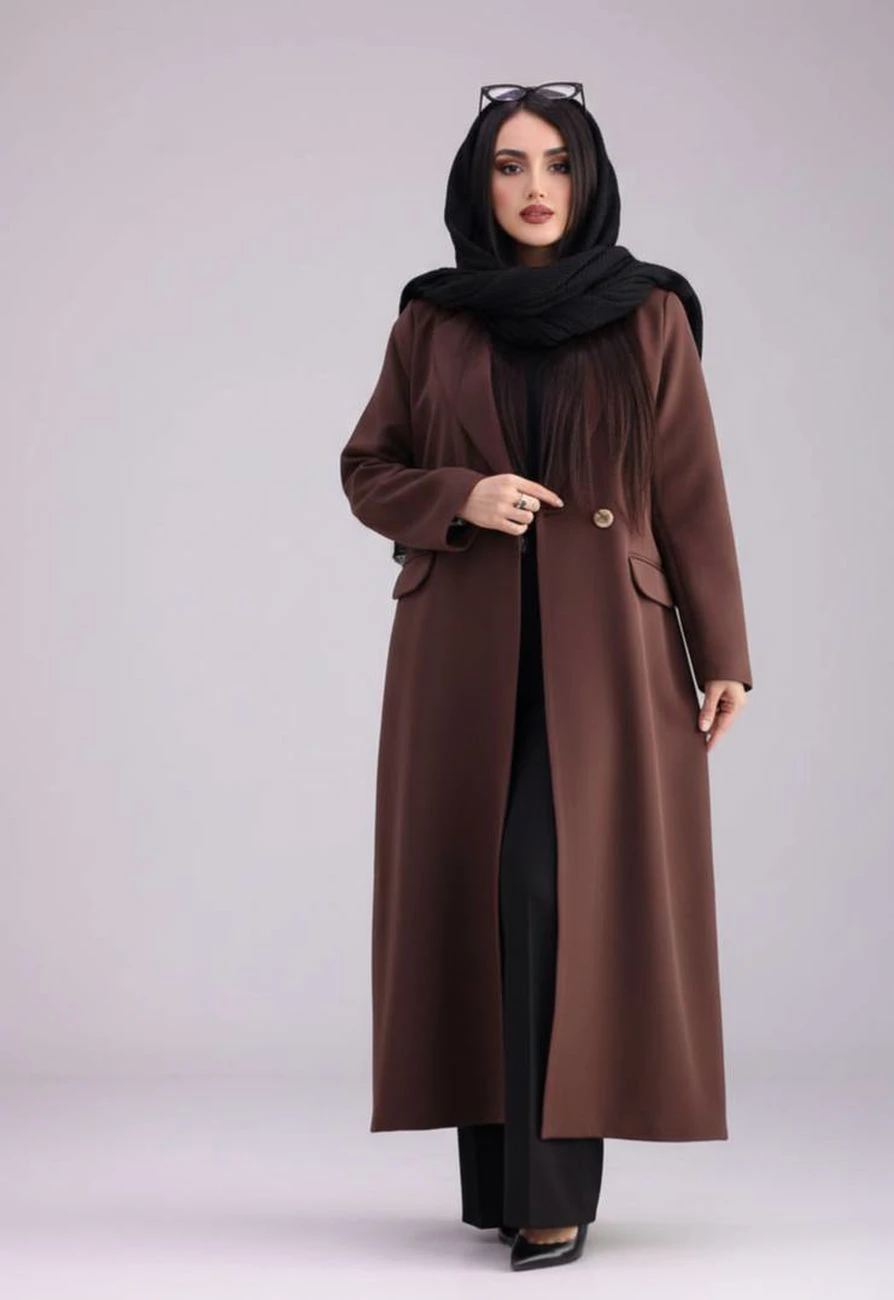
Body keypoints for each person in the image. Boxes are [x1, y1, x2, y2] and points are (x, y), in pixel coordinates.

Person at [339, 82, 754, 1272]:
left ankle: (551, 1194)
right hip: (461, 659)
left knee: (550, 893)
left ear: (590, 180)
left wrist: (723, 652)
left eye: (558, 164)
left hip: (608, 658)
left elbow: (690, 491)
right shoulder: (433, 319)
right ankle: (505, 1185)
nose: (535, 187)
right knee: (481, 899)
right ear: (480, 184)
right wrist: (460, 496)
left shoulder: (648, 312)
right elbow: (368, 468)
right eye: (511, 164)